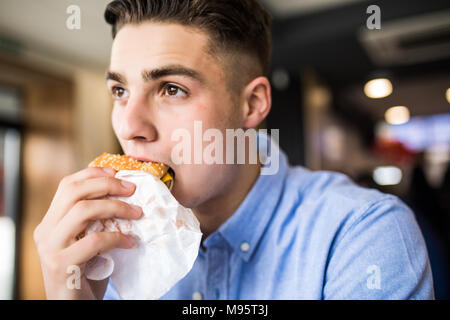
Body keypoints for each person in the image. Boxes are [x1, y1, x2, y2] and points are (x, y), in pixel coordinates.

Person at [34, 0, 434, 300]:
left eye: (172, 89)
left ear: (252, 105)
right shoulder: (113, 249)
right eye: (120, 91)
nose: (128, 126)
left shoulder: (362, 234)